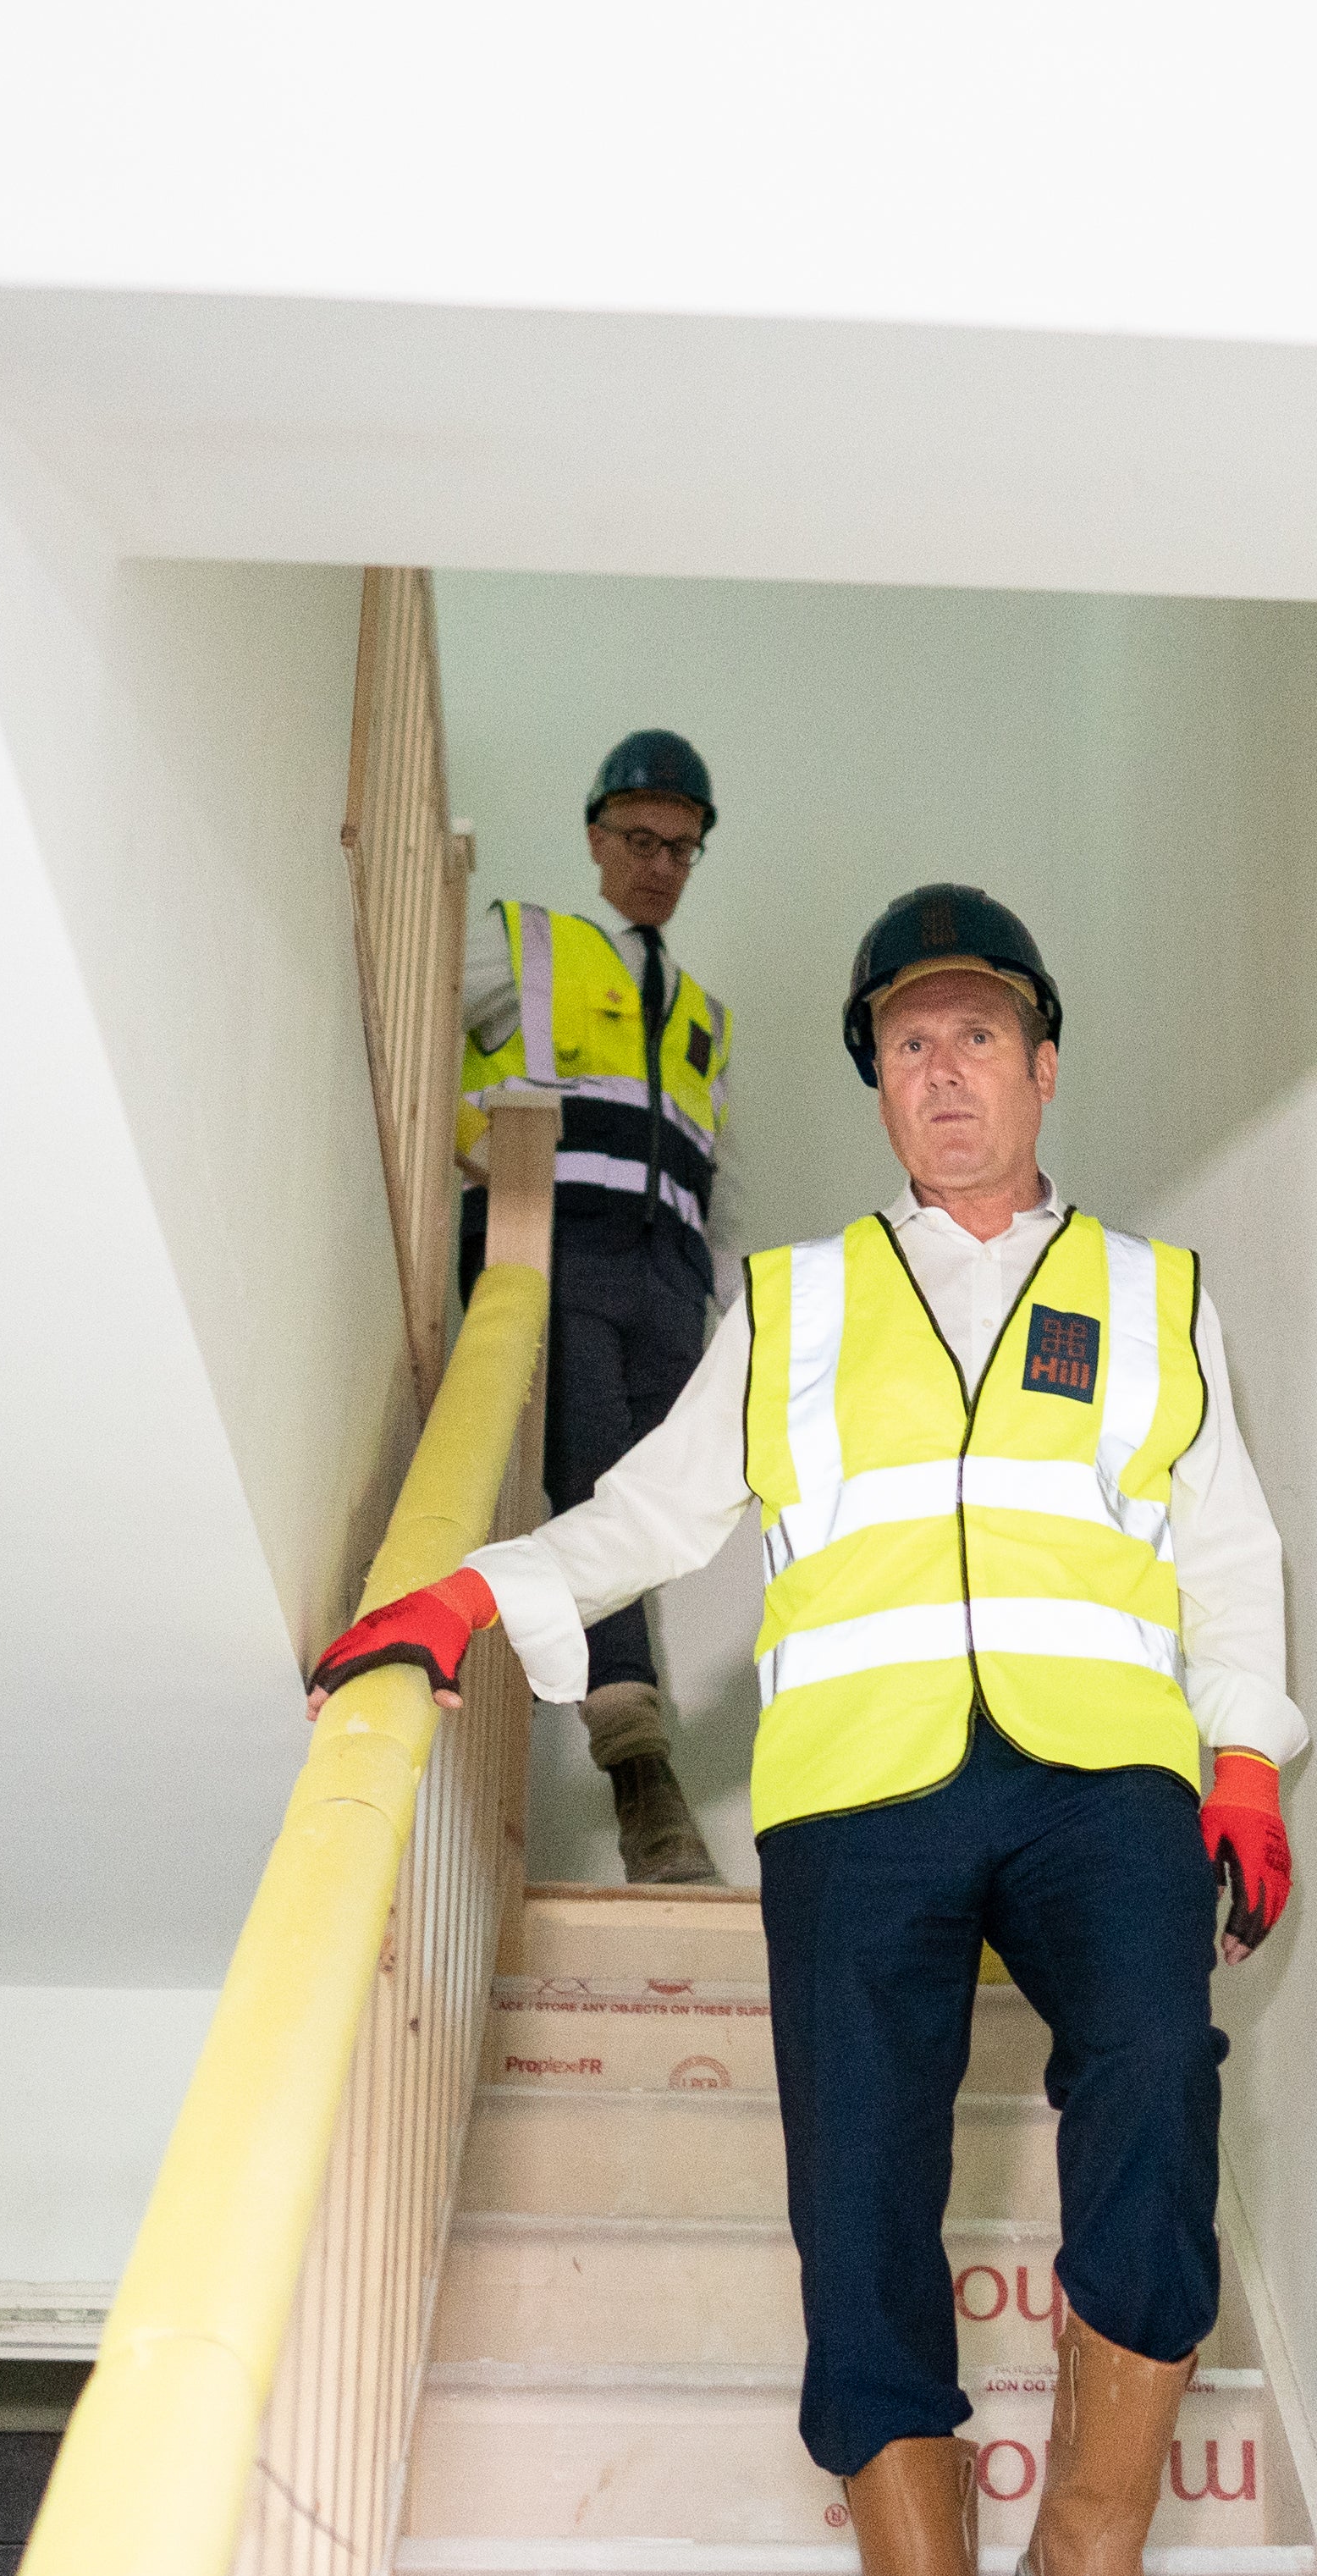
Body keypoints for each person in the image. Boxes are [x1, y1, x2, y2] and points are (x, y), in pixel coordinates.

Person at [314, 882, 1303, 2576]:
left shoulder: (1157, 1294)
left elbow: (1229, 1549)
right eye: (910, 1043)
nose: (947, 1071)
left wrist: (1243, 1752)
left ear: (1043, 1062)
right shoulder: (792, 1303)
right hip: (862, 1792)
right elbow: (653, 1515)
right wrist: (472, 1598)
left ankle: (1090, 2559)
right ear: (878, 1083)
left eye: (980, 1037)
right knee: (860, 2190)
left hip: (1107, 1771)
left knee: (1163, 2087)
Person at [454, 728, 732, 1886]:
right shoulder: (521, 943)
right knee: (587, 1480)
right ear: (594, 838)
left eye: (682, 847)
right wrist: (477, 1154)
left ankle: (638, 1758)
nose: (660, 863)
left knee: (644, 1518)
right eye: (639, 838)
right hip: (554, 1255)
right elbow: (420, 1039)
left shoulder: (708, 1014)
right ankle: (640, 1776)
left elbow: (703, 1155)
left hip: (667, 1282)